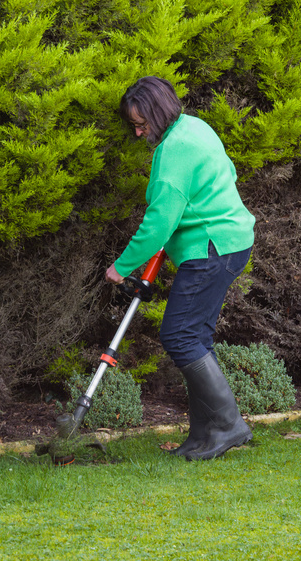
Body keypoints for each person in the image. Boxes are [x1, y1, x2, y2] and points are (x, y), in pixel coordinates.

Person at [105, 76, 256, 461]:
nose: (138, 133)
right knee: (196, 338)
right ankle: (203, 435)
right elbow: (227, 173)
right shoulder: (194, 127)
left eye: (141, 124)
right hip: (229, 242)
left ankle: (229, 426)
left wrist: (122, 266)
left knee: (179, 335)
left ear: (158, 112)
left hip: (212, 248)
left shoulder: (174, 150)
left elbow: (159, 221)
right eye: (134, 126)